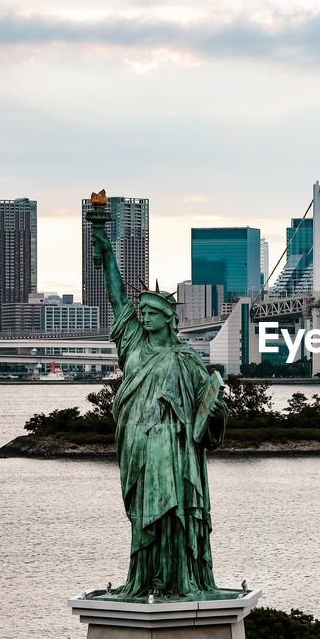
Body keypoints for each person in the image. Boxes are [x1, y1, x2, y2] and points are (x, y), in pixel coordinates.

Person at [91, 220, 228, 599]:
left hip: (172, 444)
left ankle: (178, 578)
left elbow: (209, 405)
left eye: (151, 313)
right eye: (143, 313)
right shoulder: (132, 345)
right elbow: (118, 299)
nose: (144, 317)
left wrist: (215, 412)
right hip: (135, 440)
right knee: (142, 512)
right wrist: (107, 255)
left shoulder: (186, 358)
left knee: (173, 510)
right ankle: (145, 577)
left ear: (169, 318)